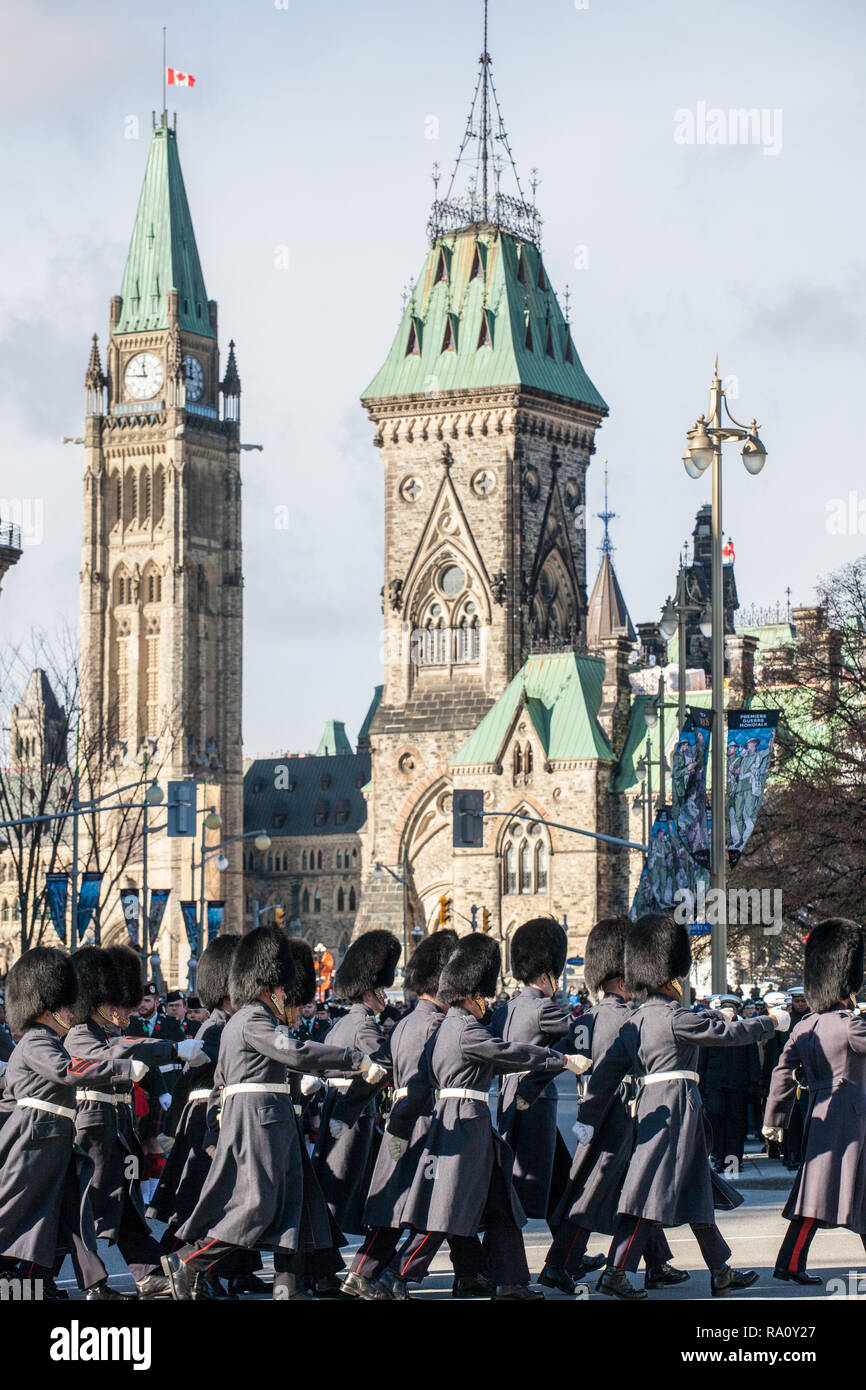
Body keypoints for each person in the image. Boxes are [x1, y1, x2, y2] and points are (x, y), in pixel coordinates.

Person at [163, 927, 385, 1300]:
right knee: (257, 1204)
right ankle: (189, 1262)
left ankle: (288, 1286)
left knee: (293, 1206)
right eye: (283, 989)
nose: (287, 996)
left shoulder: (244, 1020)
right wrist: (355, 1059)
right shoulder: (253, 1019)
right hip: (260, 1122)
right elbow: (295, 1053)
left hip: (273, 1120)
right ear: (269, 987)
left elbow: (223, 1082)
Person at [579, 913, 786, 1300]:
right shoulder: (674, 1018)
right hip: (678, 1109)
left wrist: (587, 1116)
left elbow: (605, 1073)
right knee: (648, 1194)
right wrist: (769, 1022)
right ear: (670, 978)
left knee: (696, 1193)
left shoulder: (636, 1020)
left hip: (655, 1109)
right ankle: (617, 1271)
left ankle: (720, 1270)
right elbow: (727, 1034)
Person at [388, 933, 589, 1300]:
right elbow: (509, 1053)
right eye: (482, 994)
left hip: (470, 1124)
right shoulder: (466, 1030)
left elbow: (419, 1082)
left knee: (502, 1206)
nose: (486, 1001)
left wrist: (399, 1125)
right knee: (446, 1208)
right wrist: (559, 1059)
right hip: (467, 1125)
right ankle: (397, 1273)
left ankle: (511, 1282)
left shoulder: (445, 1031)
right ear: (470, 993)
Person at [344, 928, 491, 1301]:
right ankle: (373, 1272)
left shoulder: (406, 1021)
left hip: (405, 1113)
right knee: (428, 1205)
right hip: (426, 1117)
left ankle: (468, 1271)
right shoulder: (439, 1025)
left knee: (413, 1202)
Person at [545, 917, 684, 1294]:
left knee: (632, 1186)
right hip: (623, 1107)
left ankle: (656, 1263)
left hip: (595, 1106)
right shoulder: (629, 1018)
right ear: (623, 979)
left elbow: (554, 1056)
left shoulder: (585, 1018)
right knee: (600, 1189)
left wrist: (525, 1089)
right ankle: (559, 1263)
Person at [0, 946, 148, 1301]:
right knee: (16, 1214)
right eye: (64, 1005)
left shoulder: (51, 1039)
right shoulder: (37, 1041)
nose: (70, 1011)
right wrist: (123, 1070)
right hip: (32, 1139)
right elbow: (68, 1071)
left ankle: (73, 1286)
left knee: (63, 1217)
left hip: (55, 1137)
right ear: (46, 1007)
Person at [65, 945, 208, 1300]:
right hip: (91, 1126)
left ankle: (146, 1272)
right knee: (84, 1207)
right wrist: (173, 1049)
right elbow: (118, 1053)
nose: (125, 1012)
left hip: (115, 1126)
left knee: (125, 1205)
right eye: (118, 1005)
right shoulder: (81, 1034)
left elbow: (123, 1045)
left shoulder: (104, 1033)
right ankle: (89, 1283)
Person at [148, 934, 260, 1298]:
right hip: (206, 1118)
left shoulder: (230, 1022)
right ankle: (182, 1267)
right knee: (201, 1199)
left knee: (230, 1196)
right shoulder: (215, 1027)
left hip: (219, 1112)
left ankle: (237, 1269)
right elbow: (189, 1082)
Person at [764, 918, 866, 1283]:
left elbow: (783, 1071)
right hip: (852, 1117)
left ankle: (788, 1264)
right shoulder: (850, 1024)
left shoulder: (804, 1026)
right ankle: (788, 1265)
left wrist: (773, 1119)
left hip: (818, 1115)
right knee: (838, 1192)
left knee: (814, 1195)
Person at [311, 930, 400, 1241]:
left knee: (330, 1183)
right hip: (351, 1111)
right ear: (367, 995)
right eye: (379, 992)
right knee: (343, 1186)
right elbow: (384, 1065)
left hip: (332, 1104)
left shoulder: (340, 1024)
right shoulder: (364, 1025)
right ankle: (321, 1262)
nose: (383, 998)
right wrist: (350, 1112)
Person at [493, 918, 575, 1249]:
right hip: (536, 1100)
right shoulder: (546, 1009)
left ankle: (567, 1255)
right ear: (545, 975)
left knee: (559, 1183)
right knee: (518, 1187)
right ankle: (499, 1261)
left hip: (507, 1097)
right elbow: (567, 1046)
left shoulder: (505, 1009)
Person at [699, 994, 760, 1174]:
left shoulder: (744, 1030)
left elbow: (753, 1059)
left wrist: (753, 1083)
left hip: (737, 1083)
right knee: (716, 1118)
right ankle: (718, 1157)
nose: (728, 1011)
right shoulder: (712, 1030)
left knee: (735, 1122)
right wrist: (700, 1082)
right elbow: (702, 1058)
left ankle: (733, 1161)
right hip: (714, 1083)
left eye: (731, 1008)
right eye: (725, 1008)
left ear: (736, 1011)